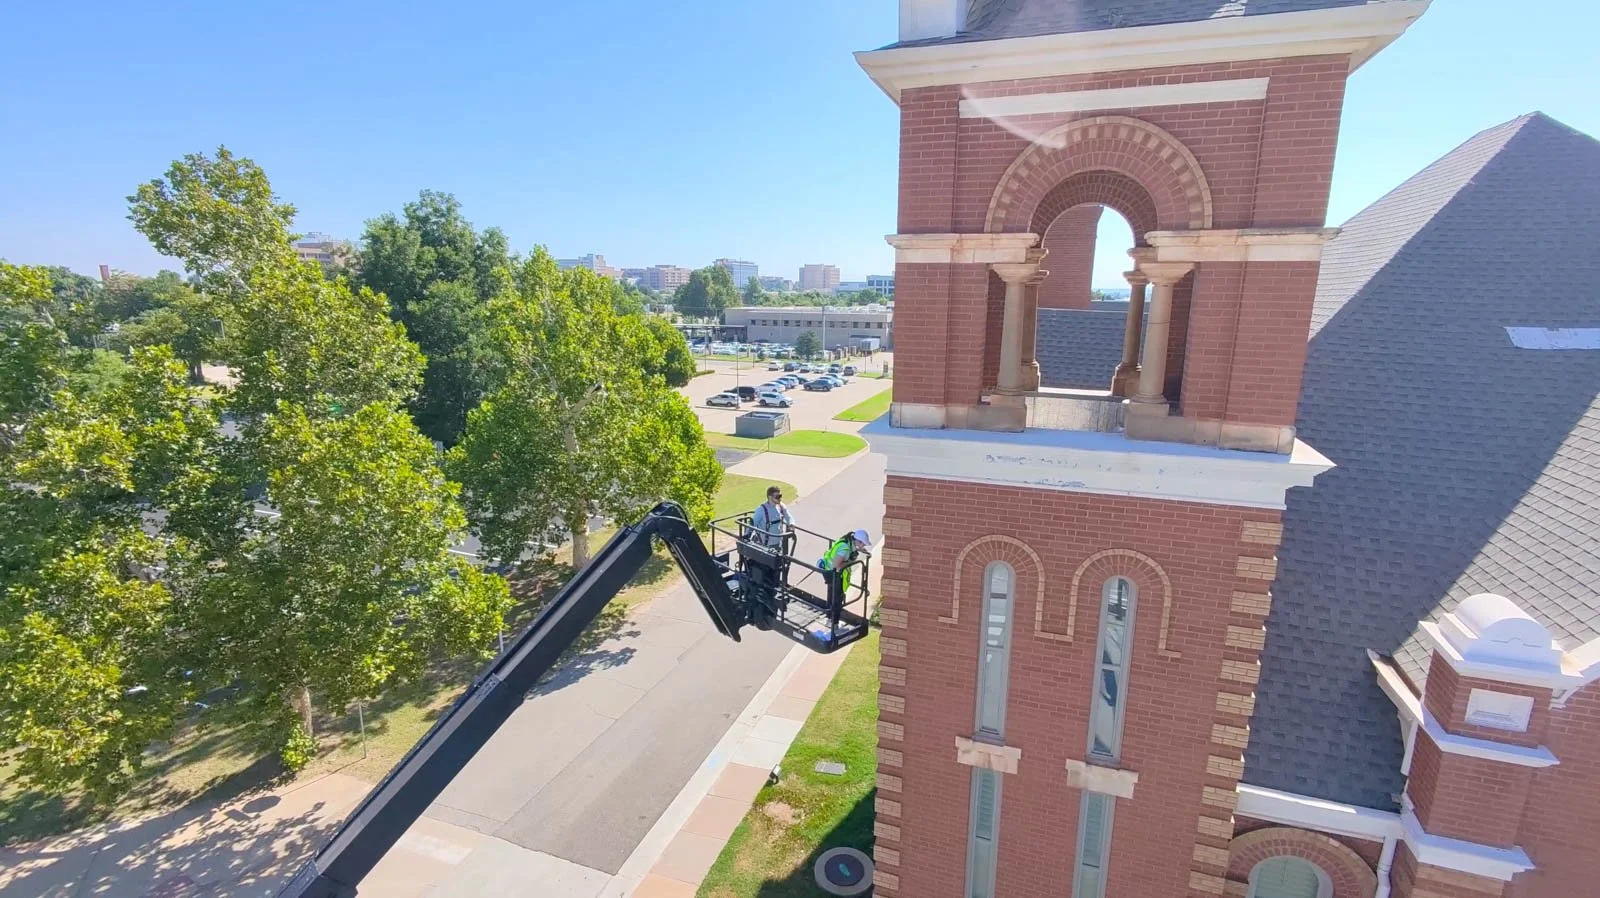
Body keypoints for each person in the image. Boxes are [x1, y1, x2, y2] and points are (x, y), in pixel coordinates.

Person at [819, 528, 873, 596]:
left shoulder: (847, 541)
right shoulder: (844, 549)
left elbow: (849, 548)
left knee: (835, 595)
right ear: (859, 541)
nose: (864, 546)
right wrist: (852, 561)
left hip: (831, 571)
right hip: (833, 574)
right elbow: (836, 566)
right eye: (863, 544)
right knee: (835, 597)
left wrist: (858, 549)